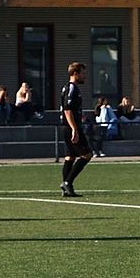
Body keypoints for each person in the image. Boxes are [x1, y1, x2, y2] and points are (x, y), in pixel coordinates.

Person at [60, 64, 91, 197]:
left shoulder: (68, 88)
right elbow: (67, 109)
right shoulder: (71, 88)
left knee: (70, 156)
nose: (85, 76)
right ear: (75, 73)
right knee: (87, 155)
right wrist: (74, 128)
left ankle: (67, 188)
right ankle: (67, 182)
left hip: (68, 126)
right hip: (71, 127)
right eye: (83, 73)